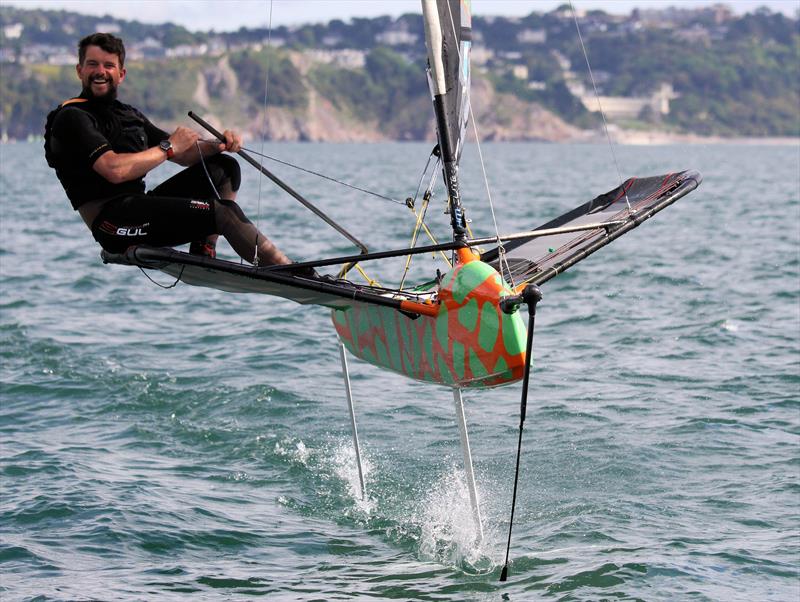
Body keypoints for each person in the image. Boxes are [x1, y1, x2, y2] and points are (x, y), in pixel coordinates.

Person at [45, 32, 297, 269]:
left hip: (139, 207)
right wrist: (167, 147)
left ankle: (203, 249)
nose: (100, 72)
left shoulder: (128, 114)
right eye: (92, 64)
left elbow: (185, 154)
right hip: (111, 223)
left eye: (108, 65)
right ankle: (290, 272)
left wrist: (220, 143)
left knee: (225, 168)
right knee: (224, 214)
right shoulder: (72, 117)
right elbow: (114, 170)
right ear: (80, 71)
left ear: (121, 74)